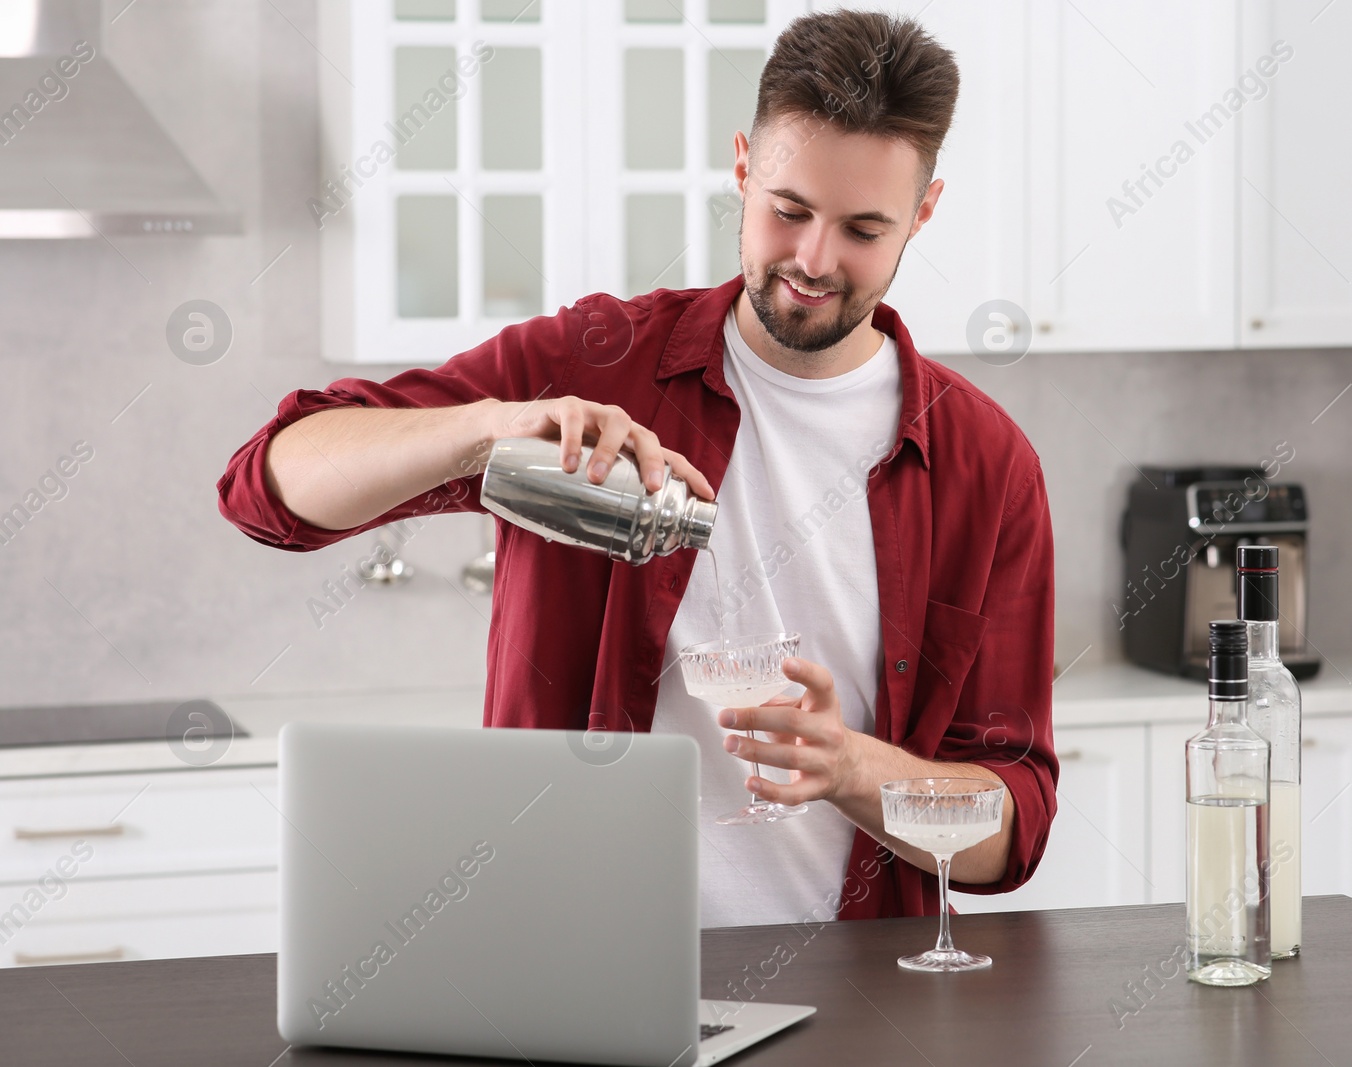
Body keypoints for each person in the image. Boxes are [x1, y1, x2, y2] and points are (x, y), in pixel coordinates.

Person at [218, 9, 1057, 926]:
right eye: (788, 211)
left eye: (863, 228)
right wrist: (492, 425)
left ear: (923, 214)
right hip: (573, 963)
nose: (814, 260)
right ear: (743, 166)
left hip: (856, 991)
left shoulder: (986, 463)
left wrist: (851, 766)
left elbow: (1010, 834)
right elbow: (267, 490)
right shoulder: (594, 361)